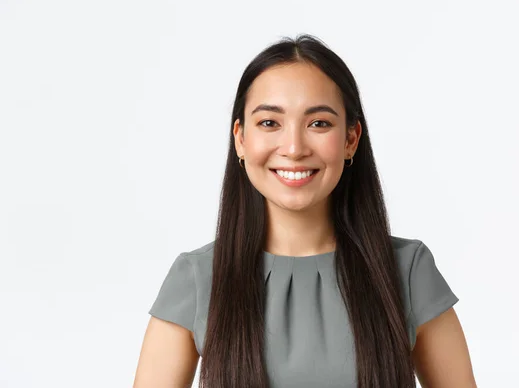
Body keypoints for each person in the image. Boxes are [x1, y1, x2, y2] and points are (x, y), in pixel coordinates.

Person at [133, 34, 477, 388]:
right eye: (269, 123)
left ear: (350, 139)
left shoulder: (407, 271)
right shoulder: (196, 278)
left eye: (319, 123)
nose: (294, 148)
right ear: (240, 138)